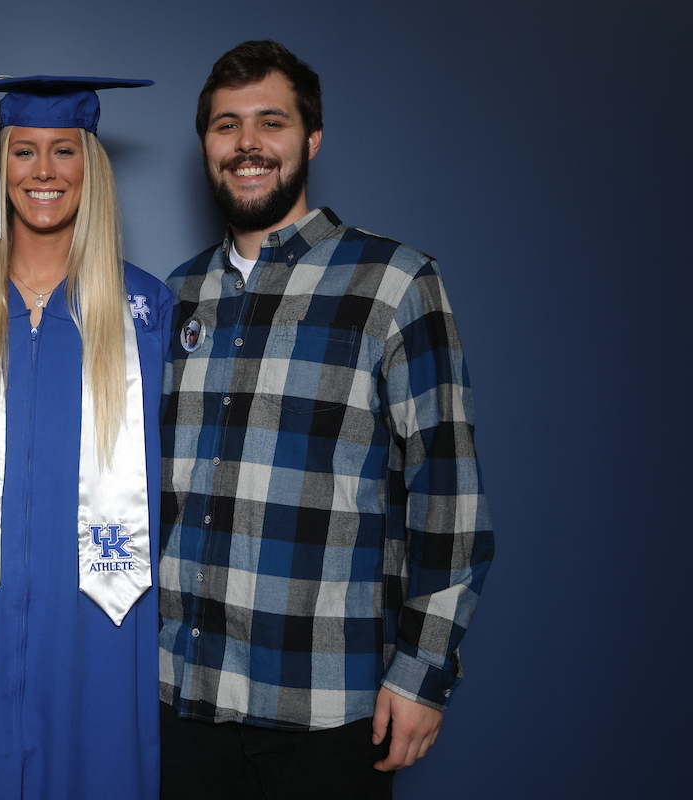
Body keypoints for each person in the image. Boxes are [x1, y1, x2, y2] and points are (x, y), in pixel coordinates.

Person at [158, 41, 495, 798]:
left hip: (325, 712)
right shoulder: (170, 298)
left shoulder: (394, 282)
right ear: (206, 145)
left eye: (269, 123)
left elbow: (449, 497)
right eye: (225, 126)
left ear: (310, 140)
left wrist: (423, 674)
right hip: (180, 703)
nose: (247, 144)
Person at [0, 76, 173, 800]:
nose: (44, 172)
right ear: (2, 167)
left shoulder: (148, 314)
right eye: (23, 152)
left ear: (92, 169)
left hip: (100, 623)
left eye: (64, 151)